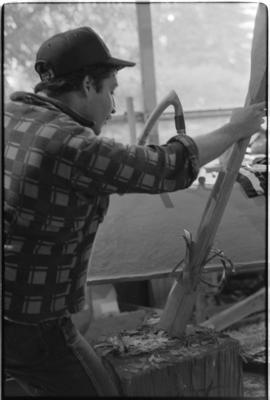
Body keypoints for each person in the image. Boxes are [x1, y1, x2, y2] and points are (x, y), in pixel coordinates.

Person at [4, 26, 265, 397]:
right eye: (110, 91)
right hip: (32, 324)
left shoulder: (12, 115)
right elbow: (164, 167)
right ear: (88, 85)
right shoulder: (70, 144)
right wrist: (233, 128)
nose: (112, 107)